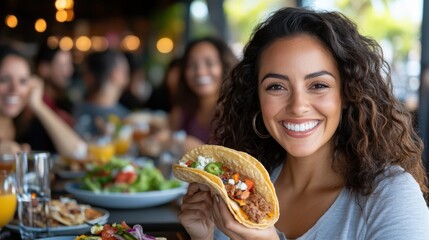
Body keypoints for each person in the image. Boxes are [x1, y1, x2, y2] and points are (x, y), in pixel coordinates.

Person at [178, 7, 429, 240]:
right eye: (276, 87)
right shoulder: (238, 191)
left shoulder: (391, 195)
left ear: (347, 93)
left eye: (318, 85)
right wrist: (204, 236)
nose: (298, 106)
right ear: (256, 97)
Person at [0, 44, 86, 157]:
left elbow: (78, 152)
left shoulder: (23, 122)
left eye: (23, 81)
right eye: (4, 79)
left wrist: (38, 104)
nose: (15, 89)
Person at [169, 37, 237, 144]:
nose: (200, 72)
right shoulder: (180, 112)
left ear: (225, 66)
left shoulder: (236, 114)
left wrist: (192, 147)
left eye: (209, 63)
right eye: (192, 65)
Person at [73, 49, 130, 138]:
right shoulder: (84, 118)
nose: (127, 75)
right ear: (114, 73)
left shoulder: (78, 109)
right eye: (124, 70)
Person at [34, 41, 75, 126]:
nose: (69, 71)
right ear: (44, 69)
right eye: (62, 66)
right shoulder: (35, 106)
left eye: (69, 64)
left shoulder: (64, 101)